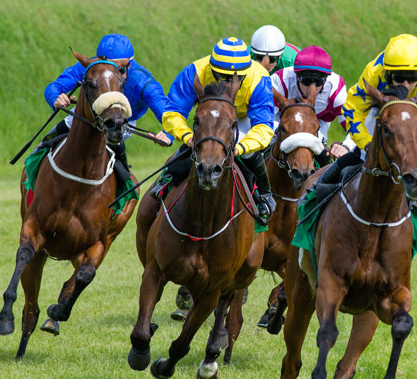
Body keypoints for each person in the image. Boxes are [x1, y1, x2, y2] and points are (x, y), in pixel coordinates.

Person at [150, 37, 276, 321]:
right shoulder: (194, 72)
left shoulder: (259, 78)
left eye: (235, 78)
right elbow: (173, 113)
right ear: (212, 68)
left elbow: (264, 127)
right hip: (206, 123)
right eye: (220, 76)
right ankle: (163, 186)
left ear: (244, 73)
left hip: (241, 123)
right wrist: (188, 138)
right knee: (182, 163)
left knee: (250, 158)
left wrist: (240, 148)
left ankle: (263, 195)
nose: (228, 81)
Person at [328, 33, 417, 211]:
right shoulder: (374, 74)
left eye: (412, 78)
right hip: (384, 101)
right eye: (399, 78)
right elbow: (352, 112)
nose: (406, 85)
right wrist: (367, 145)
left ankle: (416, 207)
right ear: (387, 74)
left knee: (411, 141)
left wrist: (413, 156)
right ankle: (321, 187)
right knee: (364, 155)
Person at [39, 33, 171, 181]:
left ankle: (125, 188)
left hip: (121, 122)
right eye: (105, 67)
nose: (111, 73)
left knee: (118, 164)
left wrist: (169, 134)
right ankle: (32, 173)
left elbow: (169, 114)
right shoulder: (91, 67)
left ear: (130, 64)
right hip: (86, 116)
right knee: (43, 146)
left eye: (119, 69)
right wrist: (56, 98)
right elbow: (54, 87)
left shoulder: (143, 81)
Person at [271, 45, 350, 165]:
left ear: (326, 80)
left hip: (318, 121)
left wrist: (346, 147)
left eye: (318, 82)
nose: (311, 88)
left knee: (321, 153)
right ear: (296, 76)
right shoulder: (279, 80)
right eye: (306, 80)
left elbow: (355, 126)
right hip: (283, 121)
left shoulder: (336, 89)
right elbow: (266, 119)